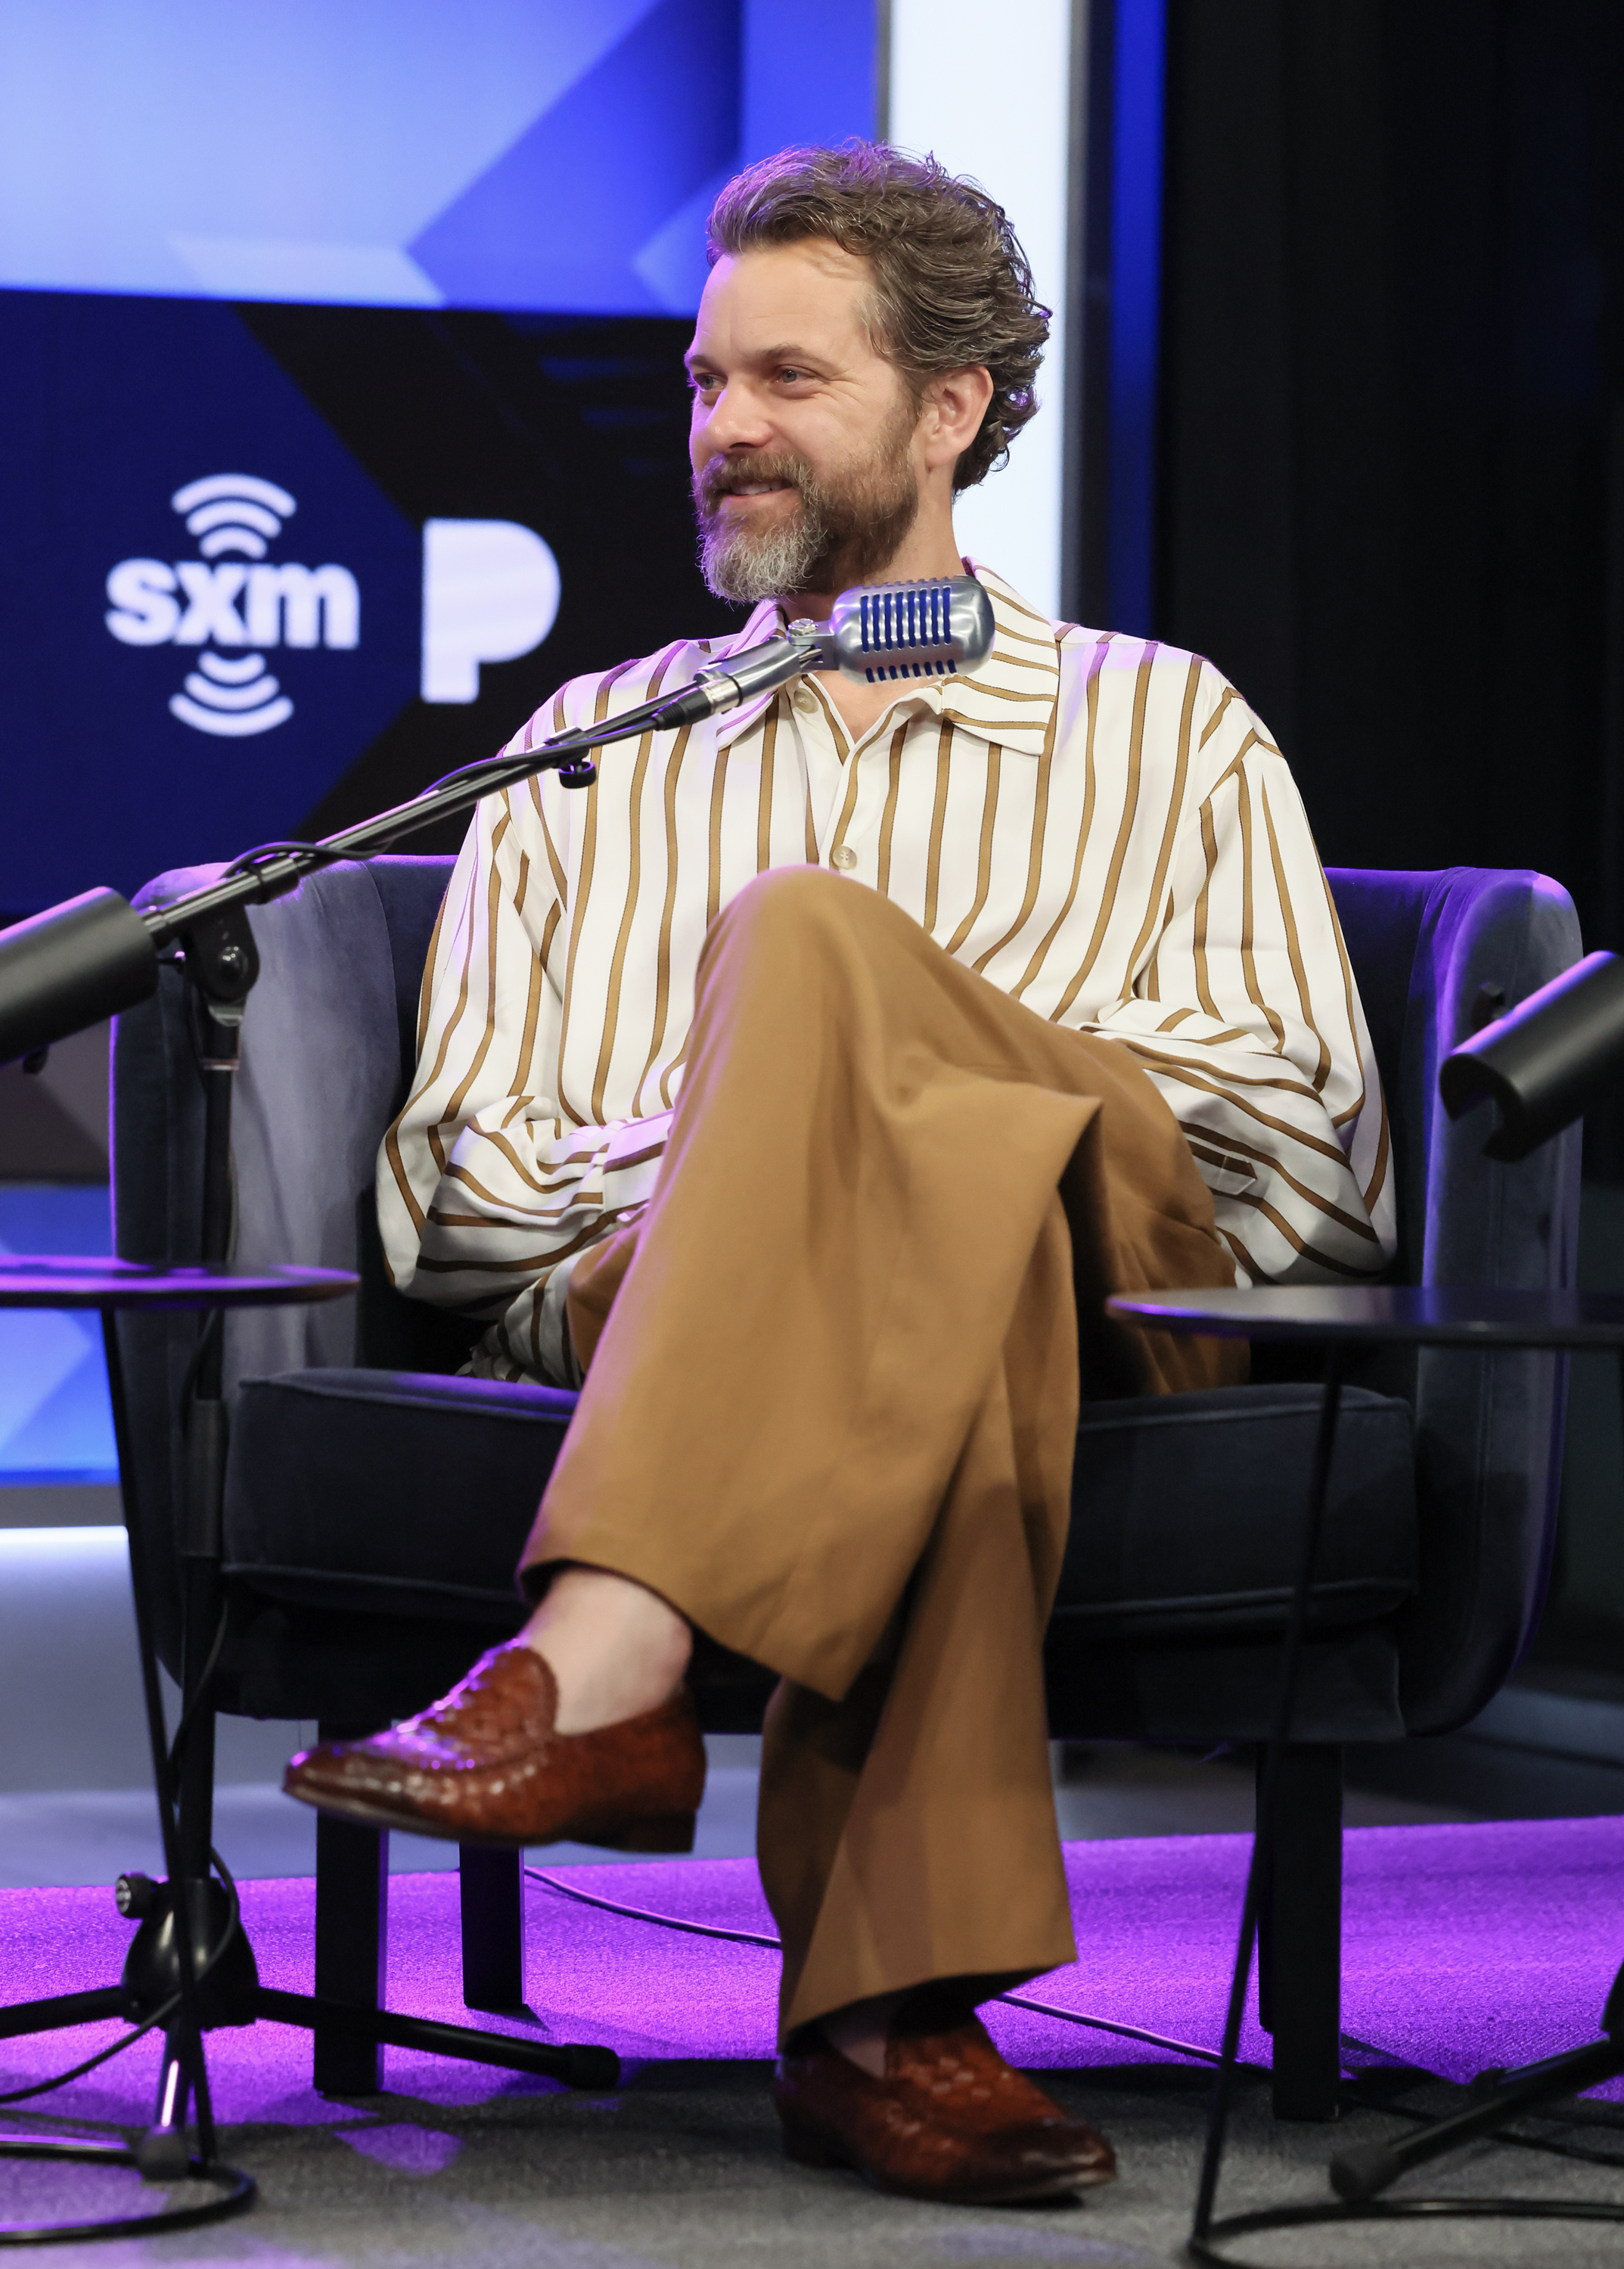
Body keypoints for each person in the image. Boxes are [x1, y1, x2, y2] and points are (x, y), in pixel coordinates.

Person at [285, 142, 1394, 2205]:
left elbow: (1305, 1164)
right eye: (704, 385)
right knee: (916, 1244)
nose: (722, 432)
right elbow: (452, 1198)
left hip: (1129, 1296)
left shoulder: (1165, 731)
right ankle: (886, 2019)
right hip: (721, 1317)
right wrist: (752, 1171)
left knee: (811, 955)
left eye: (786, 380)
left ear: (953, 405)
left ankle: (601, 1660)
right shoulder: (588, 751)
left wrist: (905, 1084)